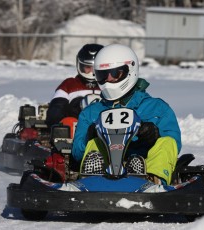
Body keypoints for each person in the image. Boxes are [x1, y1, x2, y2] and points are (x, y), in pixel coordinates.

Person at [71, 44, 181, 185]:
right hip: (104, 172)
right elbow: (77, 153)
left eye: (115, 74)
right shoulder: (90, 112)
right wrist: (90, 135)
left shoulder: (157, 108)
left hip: (145, 166)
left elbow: (174, 145)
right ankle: (92, 179)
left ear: (130, 71)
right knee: (94, 143)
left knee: (167, 142)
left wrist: (153, 134)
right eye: (103, 75)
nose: (109, 79)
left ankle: (153, 181)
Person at [45, 44, 104, 128]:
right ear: (80, 66)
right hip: (75, 130)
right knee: (68, 120)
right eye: (88, 67)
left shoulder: (109, 85)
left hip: (105, 129)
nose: (91, 72)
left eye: (95, 67)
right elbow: (56, 109)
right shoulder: (69, 85)